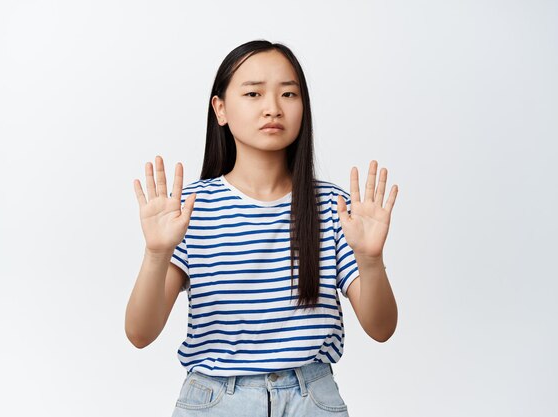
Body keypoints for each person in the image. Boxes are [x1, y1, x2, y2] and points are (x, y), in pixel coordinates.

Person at [125, 39, 399, 417]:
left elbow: (382, 328)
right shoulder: (189, 209)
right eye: (253, 93)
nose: (273, 108)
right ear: (220, 109)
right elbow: (140, 334)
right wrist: (156, 255)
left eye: (289, 93)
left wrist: (370, 260)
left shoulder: (335, 207)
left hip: (311, 398)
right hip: (215, 400)